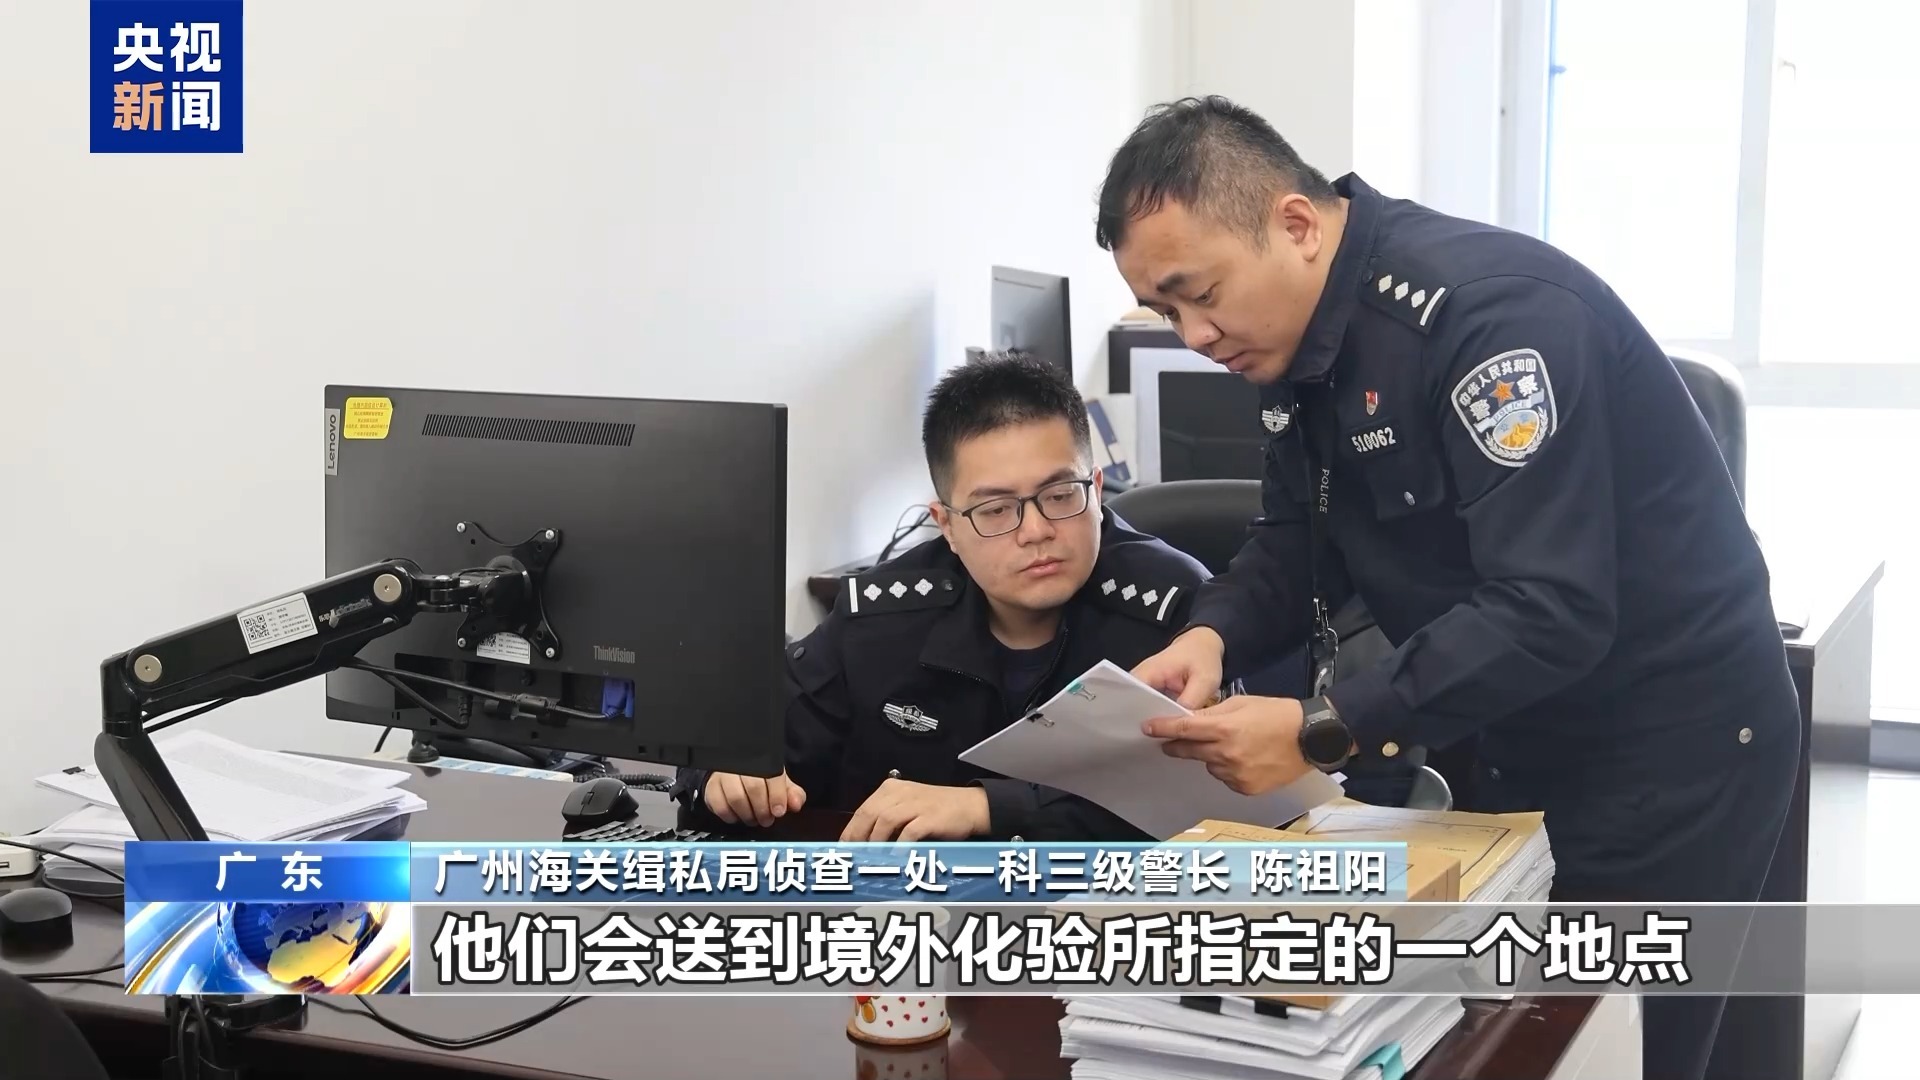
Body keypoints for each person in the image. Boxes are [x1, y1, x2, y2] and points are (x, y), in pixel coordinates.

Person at [1096, 96, 1800, 1080]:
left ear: (1296, 225)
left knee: (1615, 1049)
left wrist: (1321, 729)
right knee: (1494, 1038)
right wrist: (1210, 637)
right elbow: (1297, 537)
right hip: (1515, 725)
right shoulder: (1296, 345)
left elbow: (1550, 610)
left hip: (1669, 745)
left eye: (1198, 294)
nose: (1194, 335)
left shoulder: (1492, 323)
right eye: (1166, 312)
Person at [672, 356, 1208, 843]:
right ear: (946, 525)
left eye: (1060, 494)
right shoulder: (883, 618)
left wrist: (988, 808)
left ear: (1096, 487)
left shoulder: (1177, 614)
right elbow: (739, 730)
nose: (1036, 531)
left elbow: (1212, 801)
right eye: (995, 509)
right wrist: (723, 771)